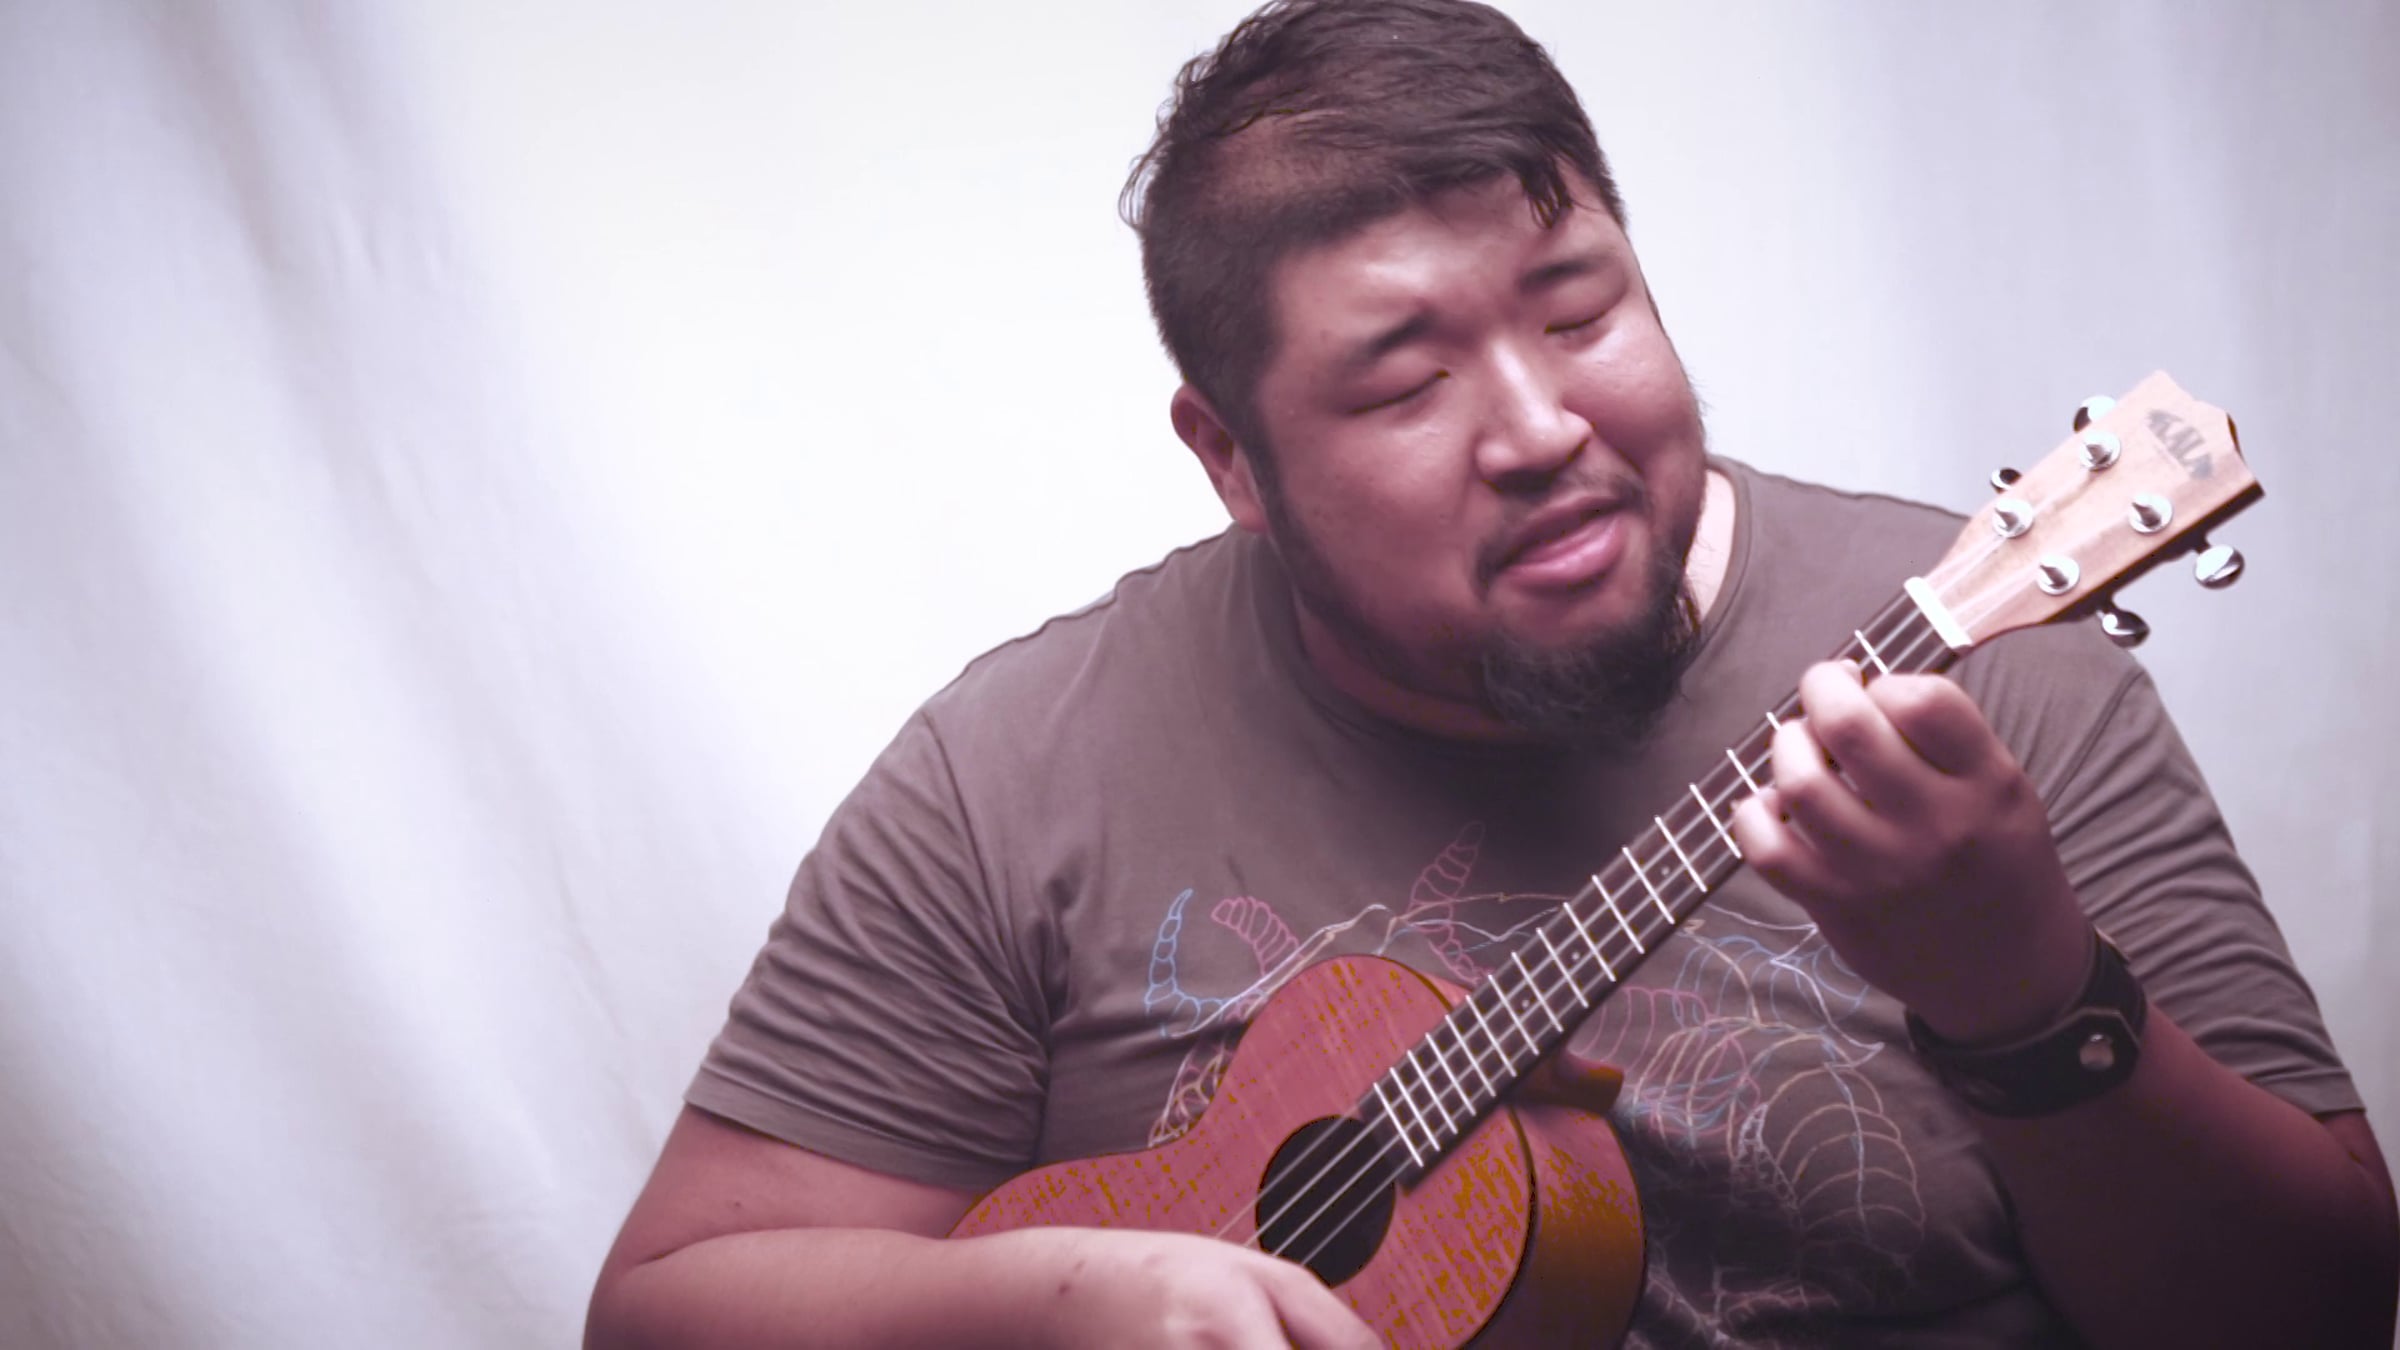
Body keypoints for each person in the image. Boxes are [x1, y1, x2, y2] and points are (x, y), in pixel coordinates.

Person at [585, 1, 2398, 1345]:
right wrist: (1056, 1301)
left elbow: (2320, 1314)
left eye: (1580, 307)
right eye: (1403, 380)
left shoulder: (1989, 676)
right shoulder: (1016, 771)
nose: (1541, 427)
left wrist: (2028, 999)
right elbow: (671, 1304)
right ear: (1230, 458)